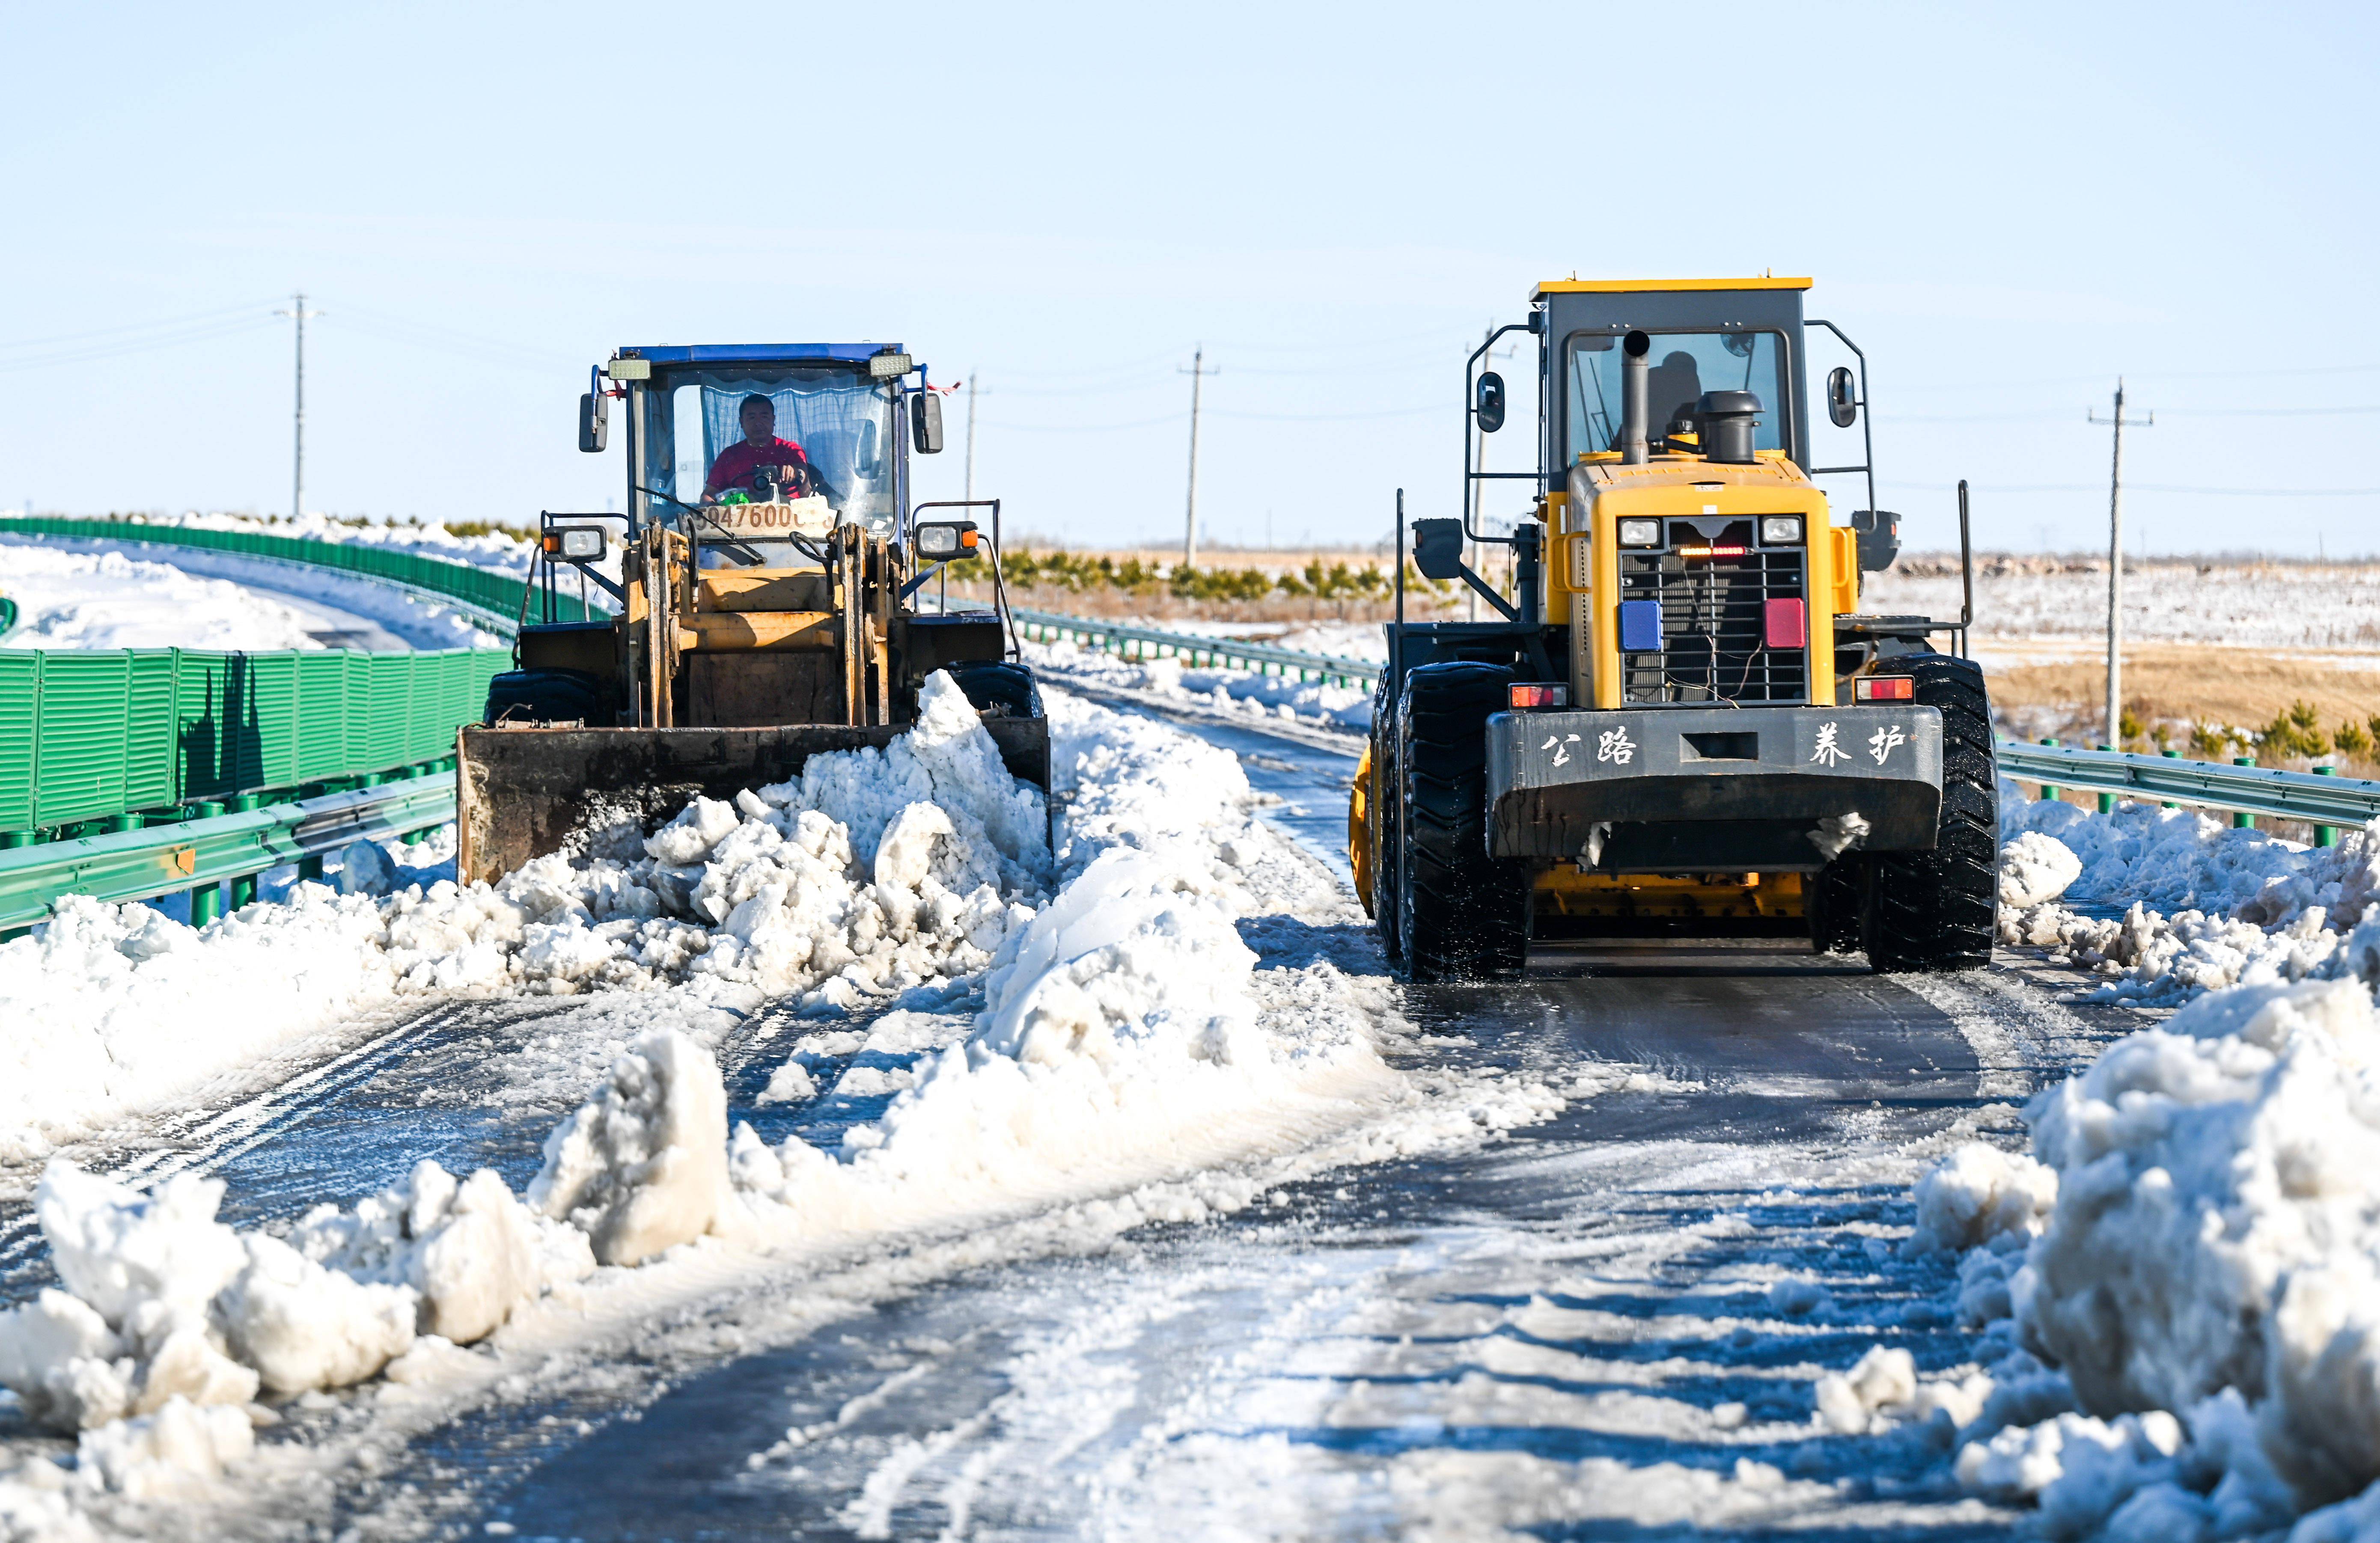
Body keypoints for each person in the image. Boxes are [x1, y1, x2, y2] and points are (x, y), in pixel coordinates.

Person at [702, 394, 816, 503]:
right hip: (739, 521)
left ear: (773, 420)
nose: (758, 423)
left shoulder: (791, 450)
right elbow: (708, 495)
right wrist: (713, 508)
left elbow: (804, 479)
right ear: (742, 422)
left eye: (764, 417)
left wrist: (796, 473)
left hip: (788, 519)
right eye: (752, 418)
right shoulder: (729, 456)